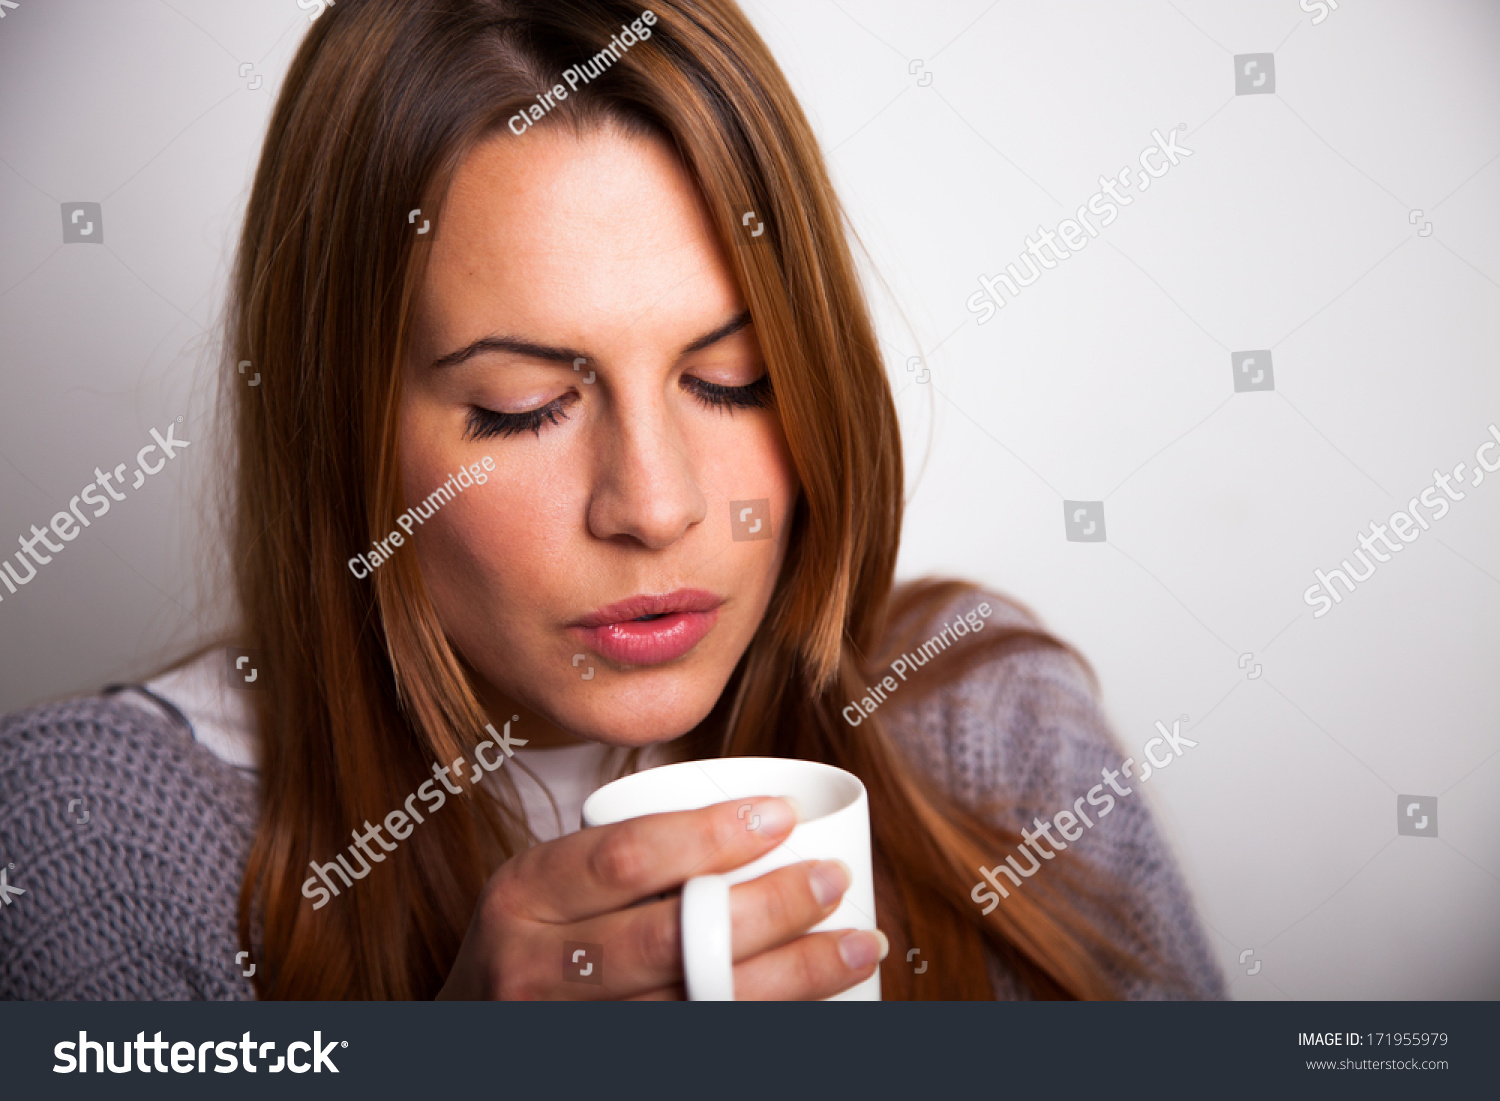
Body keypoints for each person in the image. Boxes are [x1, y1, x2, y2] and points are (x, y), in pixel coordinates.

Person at [0, 0, 1224, 1001]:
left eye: (732, 382)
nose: (654, 505)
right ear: (340, 433)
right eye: (527, 405)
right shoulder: (86, 842)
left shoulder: (991, 735)